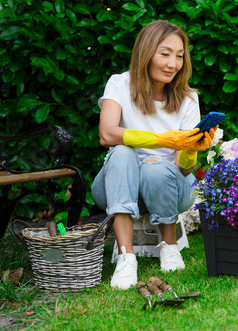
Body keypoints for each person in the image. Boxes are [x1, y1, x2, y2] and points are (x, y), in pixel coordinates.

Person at [91, 20, 216, 290]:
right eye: (165, 53)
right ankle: (127, 258)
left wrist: (191, 149)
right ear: (146, 52)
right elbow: (107, 134)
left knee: (156, 166)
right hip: (118, 186)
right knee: (123, 151)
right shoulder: (120, 84)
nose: (173, 63)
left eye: (180, 56)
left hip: (171, 189)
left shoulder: (188, 99)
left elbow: (184, 171)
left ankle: (169, 247)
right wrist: (161, 140)